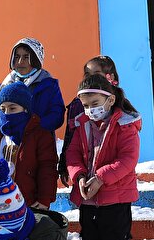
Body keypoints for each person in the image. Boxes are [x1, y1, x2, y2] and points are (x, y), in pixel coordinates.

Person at [64, 73, 142, 240]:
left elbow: (127, 160)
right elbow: (73, 155)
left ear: (110, 100)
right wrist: (78, 177)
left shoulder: (125, 125)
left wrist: (100, 178)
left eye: (95, 104)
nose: (90, 110)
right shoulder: (82, 125)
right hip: (88, 201)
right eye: (86, 105)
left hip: (115, 200)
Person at [0, 81, 57, 225]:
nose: (7, 113)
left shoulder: (40, 134)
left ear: (25, 109)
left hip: (30, 204)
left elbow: (47, 167)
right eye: (3, 109)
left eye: (12, 108)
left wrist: (44, 199)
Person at [59, 55, 140, 186]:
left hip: (116, 189)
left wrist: (101, 178)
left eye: (96, 73)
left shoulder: (124, 121)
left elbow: (128, 157)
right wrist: (74, 172)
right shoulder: (78, 106)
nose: (90, 109)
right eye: (87, 74)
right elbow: (71, 143)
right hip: (85, 188)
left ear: (110, 77)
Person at [0, 38, 65, 134]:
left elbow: (57, 115)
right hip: (10, 140)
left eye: (26, 57)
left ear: (36, 60)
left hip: (40, 139)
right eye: (17, 57)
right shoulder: (6, 84)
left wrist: (34, 126)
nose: (20, 62)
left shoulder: (48, 85)